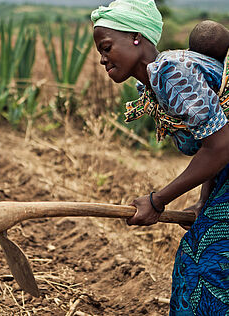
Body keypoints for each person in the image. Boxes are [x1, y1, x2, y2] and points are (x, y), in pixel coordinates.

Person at [91, 0, 229, 315]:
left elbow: (221, 146)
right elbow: (215, 138)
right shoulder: (155, 84)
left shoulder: (172, 72)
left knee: (204, 265)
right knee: (201, 262)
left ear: (137, 37)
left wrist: (157, 200)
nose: (102, 58)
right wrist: (203, 202)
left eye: (107, 47)